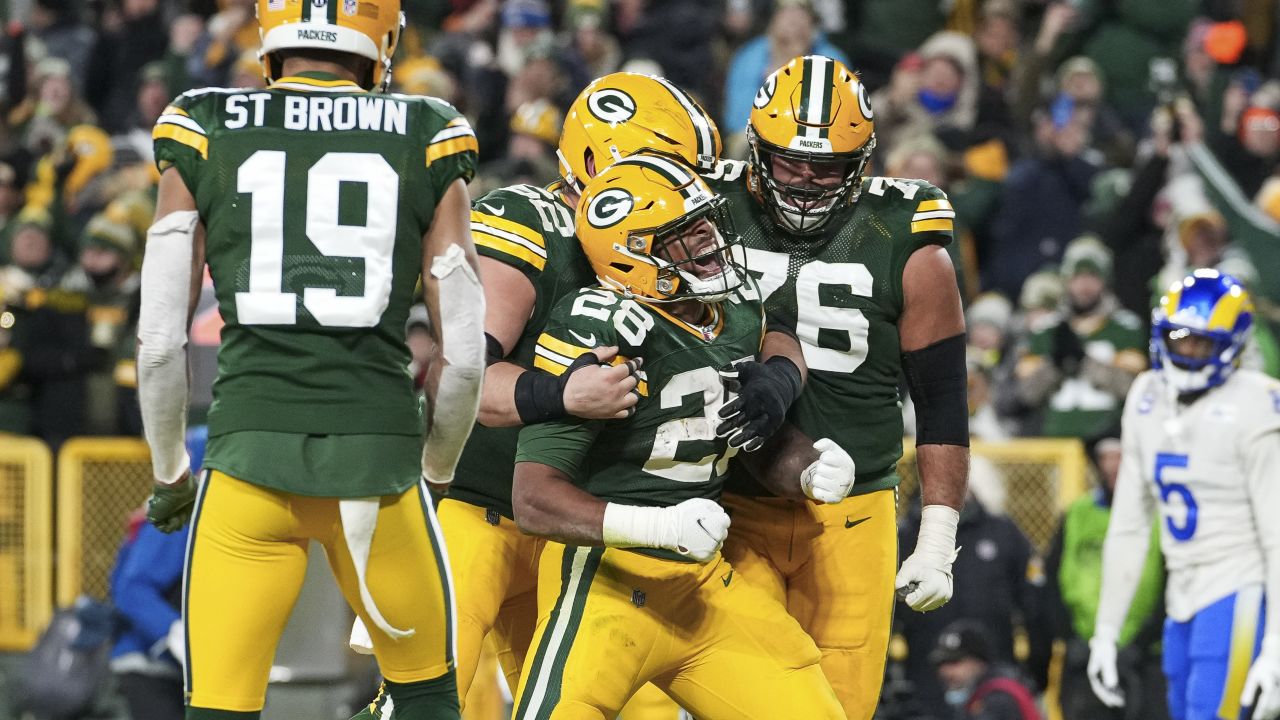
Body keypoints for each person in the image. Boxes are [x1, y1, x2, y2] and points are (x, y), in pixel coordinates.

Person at [136, 0, 486, 716]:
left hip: (246, 466)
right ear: (381, 37)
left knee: (220, 707)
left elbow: (161, 339)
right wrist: (437, 472)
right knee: (426, 701)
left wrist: (170, 470)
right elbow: (467, 355)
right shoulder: (425, 131)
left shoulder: (206, 123)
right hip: (378, 468)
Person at [348, 71, 724, 718]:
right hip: (482, 511)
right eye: (666, 168)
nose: (684, 194)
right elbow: (457, 379)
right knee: (422, 705)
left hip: (576, 531)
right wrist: (563, 395)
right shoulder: (531, 222)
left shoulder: (685, 242)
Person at [509, 154, 848, 719]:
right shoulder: (602, 324)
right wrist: (659, 526)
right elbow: (534, 498)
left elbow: (744, 442)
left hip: (703, 584)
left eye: (707, 223)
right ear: (635, 253)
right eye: (685, 234)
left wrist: (807, 467)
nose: (710, 240)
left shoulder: (734, 311)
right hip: (608, 583)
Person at [705, 55, 969, 719]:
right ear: (756, 149)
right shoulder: (709, 211)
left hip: (855, 514)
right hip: (734, 498)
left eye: (826, 166)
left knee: (842, 709)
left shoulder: (907, 237)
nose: (805, 181)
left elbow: (941, 400)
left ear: (864, 160)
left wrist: (937, 538)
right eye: (790, 161)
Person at [1088, 270, 1280, 720]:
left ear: (1232, 344)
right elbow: (1130, 525)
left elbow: (1278, 537)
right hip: (1182, 594)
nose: (1187, 352)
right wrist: (1106, 629)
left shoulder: (1256, 405)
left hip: (1240, 588)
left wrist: (1275, 644)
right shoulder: (1145, 396)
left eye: (1201, 342)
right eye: (1178, 338)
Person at [1044, 435, 1167, 720]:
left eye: (1119, 457)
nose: (1112, 466)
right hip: (1085, 655)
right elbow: (1050, 581)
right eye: (1105, 457)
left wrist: (1140, 644)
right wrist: (1069, 637)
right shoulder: (1077, 513)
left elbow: (1171, 585)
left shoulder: (1158, 514)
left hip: (1144, 658)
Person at [1014, 235, 1146, 439]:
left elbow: (1134, 390)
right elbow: (1026, 395)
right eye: (1078, 277)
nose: (1084, 286)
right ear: (1067, 280)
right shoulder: (1046, 329)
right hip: (1056, 447)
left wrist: (1085, 362)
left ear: (1105, 280)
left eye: (1092, 276)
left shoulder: (1126, 328)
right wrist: (1055, 366)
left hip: (1108, 445)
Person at [932, 620, 1042, 720]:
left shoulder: (998, 700)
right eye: (941, 664)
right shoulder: (980, 693)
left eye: (955, 662)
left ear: (978, 662)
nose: (946, 671)